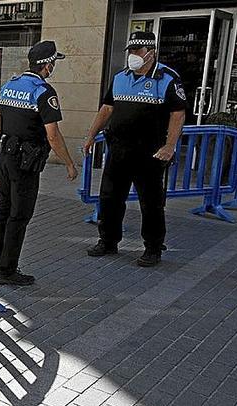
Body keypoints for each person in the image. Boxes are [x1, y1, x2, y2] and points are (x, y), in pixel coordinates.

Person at [83, 31, 186, 267]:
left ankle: (152, 247)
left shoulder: (167, 78)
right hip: (118, 150)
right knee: (110, 198)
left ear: (151, 52)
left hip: (150, 153)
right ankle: (108, 241)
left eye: (137, 51)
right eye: (130, 51)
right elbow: (106, 109)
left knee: (151, 203)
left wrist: (170, 146)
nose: (133, 55)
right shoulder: (120, 78)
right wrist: (90, 136)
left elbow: (178, 114)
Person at [0, 41, 78, 286]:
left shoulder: (10, 85)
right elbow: (53, 135)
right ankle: (7, 270)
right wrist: (69, 162)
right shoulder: (43, 92)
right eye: (53, 62)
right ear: (47, 65)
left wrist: (5, 137)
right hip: (24, 163)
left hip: (3, 156)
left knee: (3, 210)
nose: (53, 66)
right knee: (19, 215)